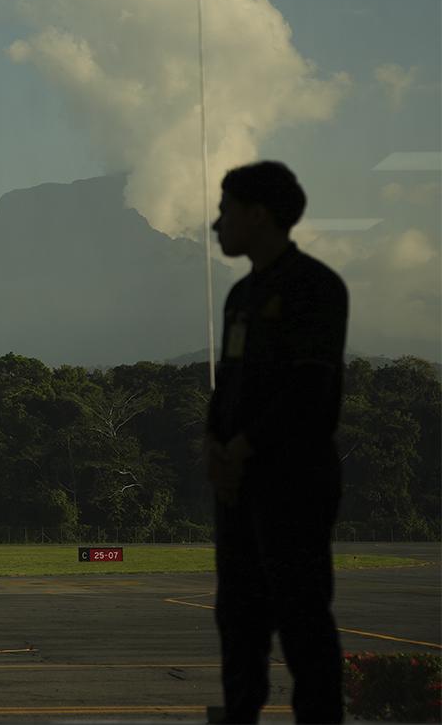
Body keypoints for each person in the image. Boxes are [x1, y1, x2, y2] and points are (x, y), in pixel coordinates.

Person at [206, 161, 348, 724]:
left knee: (301, 615)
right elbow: (228, 384)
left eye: (225, 210)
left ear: (258, 215)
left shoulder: (316, 288)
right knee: (237, 617)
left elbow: (309, 393)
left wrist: (243, 446)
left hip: (293, 481)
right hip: (239, 483)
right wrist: (214, 444)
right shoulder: (241, 295)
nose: (217, 223)